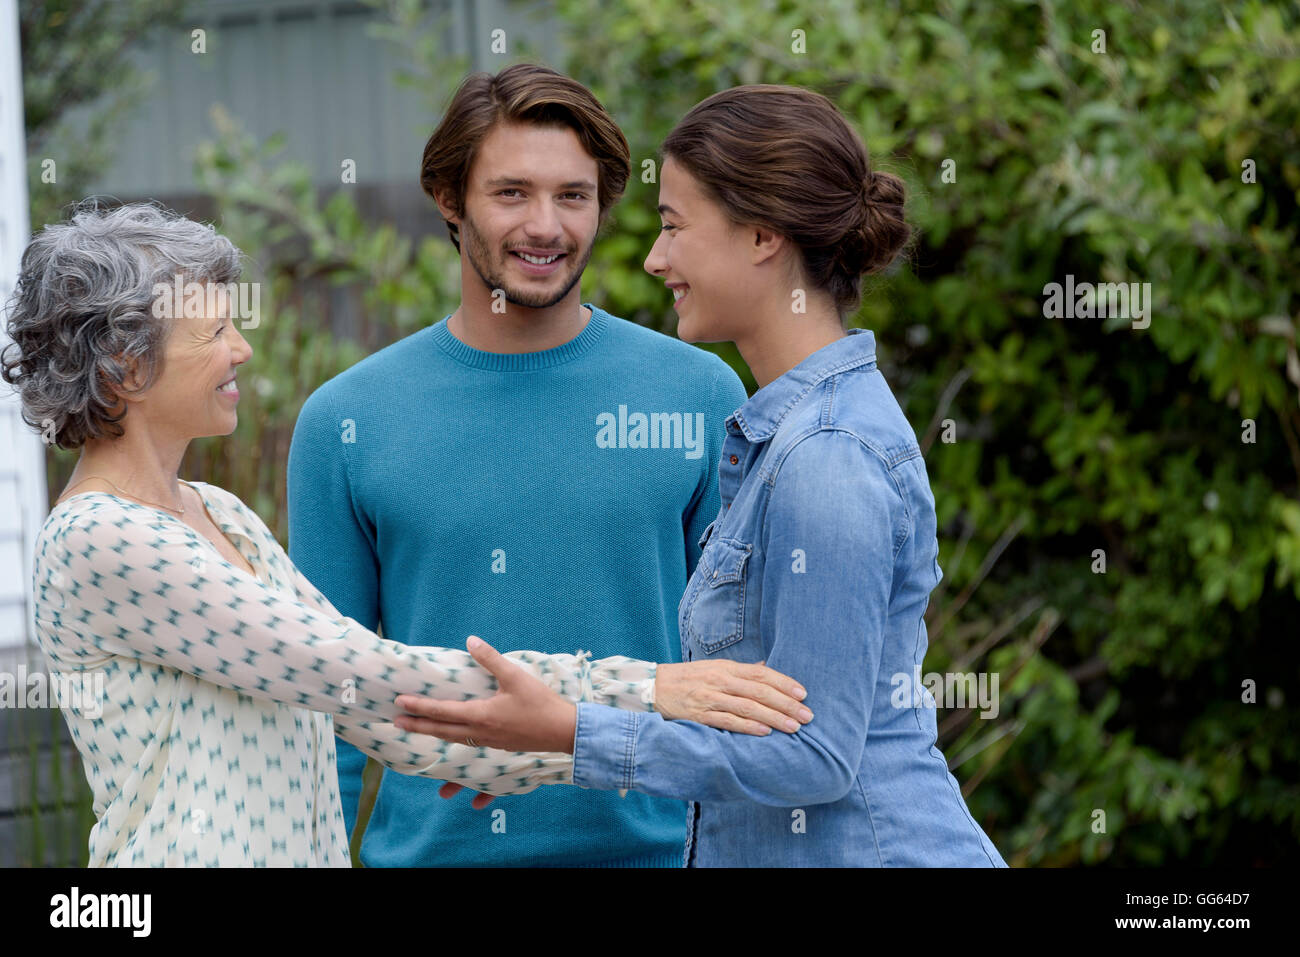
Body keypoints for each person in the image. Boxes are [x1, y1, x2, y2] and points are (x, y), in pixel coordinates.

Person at [0, 200, 813, 867]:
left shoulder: (220, 513)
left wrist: (529, 748)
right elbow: (369, 671)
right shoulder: (103, 541)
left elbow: (387, 715)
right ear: (123, 368)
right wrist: (647, 691)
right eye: (213, 334)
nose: (242, 349)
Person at [394, 85, 1008, 867]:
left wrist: (573, 734)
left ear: (761, 236)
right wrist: (543, 749)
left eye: (673, 226)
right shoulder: (787, 437)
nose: (655, 259)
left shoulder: (825, 457)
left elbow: (815, 758)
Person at [287, 64, 765, 867]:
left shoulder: (698, 392)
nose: (546, 225)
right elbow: (321, 705)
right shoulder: (346, 420)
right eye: (511, 193)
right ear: (449, 198)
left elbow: (738, 671)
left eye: (573, 196)